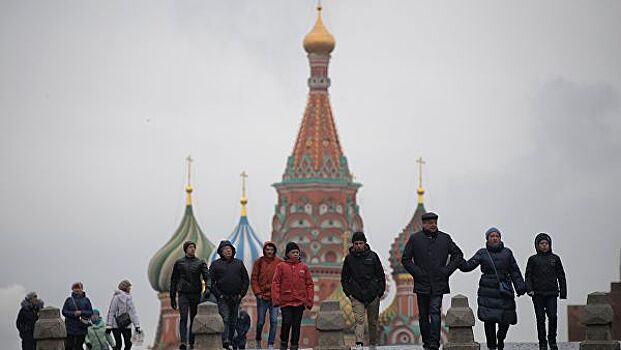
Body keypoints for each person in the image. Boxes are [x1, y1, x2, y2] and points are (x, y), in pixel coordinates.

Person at [401, 212, 464, 350]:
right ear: (424, 224)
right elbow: (405, 259)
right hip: (422, 282)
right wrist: (418, 273)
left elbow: (458, 255)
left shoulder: (445, 238)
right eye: (430, 223)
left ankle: (434, 343)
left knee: (435, 312)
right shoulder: (415, 239)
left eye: (435, 222)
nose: (433, 225)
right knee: (424, 315)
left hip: (438, 282)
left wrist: (446, 271)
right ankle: (426, 342)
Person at [459, 227, 527, 350]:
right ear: (487, 239)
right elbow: (468, 266)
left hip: (504, 290)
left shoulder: (507, 253)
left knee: (506, 319)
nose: (495, 238)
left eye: (497, 236)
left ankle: (500, 339)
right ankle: (491, 345)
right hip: (487, 290)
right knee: (489, 320)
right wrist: (457, 259)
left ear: (500, 238)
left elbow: (514, 271)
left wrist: (520, 287)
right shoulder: (482, 253)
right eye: (492, 236)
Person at [341, 231, 386, 347]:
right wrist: (349, 293)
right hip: (357, 295)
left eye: (361, 243)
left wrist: (379, 292)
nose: (358, 246)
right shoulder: (349, 259)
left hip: (373, 295)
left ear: (365, 243)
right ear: (353, 244)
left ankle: (372, 343)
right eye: (356, 244)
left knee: (373, 322)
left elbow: (380, 275)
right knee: (359, 321)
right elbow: (344, 278)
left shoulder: (373, 257)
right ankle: (359, 343)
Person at [525, 233, 567, 350]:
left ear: (550, 245)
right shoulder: (533, 259)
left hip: (552, 293)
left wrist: (563, 292)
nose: (544, 246)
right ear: (537, 245)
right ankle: (542, 341)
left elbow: (561, 276)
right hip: (537, 293)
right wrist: (529, 289)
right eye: (542, 244)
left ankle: (552, 339)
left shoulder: (555, 259)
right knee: (540, 318)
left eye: (546, 243)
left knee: (553, 316)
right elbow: (528, 276)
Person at [271, 242, 314, 350]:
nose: (296, 254)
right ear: (287, 253)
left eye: (297, 252)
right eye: (293, 252)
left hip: (299, 301)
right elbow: (276, 282)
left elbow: (309, 284)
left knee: (296, 325)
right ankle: (284, 342)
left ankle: (294, 345)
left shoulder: (304, 267)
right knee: (286, 322)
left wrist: (309, 300)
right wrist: (276, 299)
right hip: (286, 301)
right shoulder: (281, 266)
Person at [209, 240, 250, 350]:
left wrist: (242, 294)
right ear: (221, 252)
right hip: (223, 297)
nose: (228, 251)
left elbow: (246, 280)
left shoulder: (239, 263)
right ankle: (225, 340)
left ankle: (231, 340)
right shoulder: (216, 265)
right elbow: (210, 282)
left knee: (233, 320)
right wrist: (219, 295)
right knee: (225, 318)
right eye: (225, 250)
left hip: (236, 297)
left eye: (229, 249)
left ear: (232, 250)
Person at [170, 240, 210, 350]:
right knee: (183, 317)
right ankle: (183, 342)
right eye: (190, 247)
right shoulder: (179, 263)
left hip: (195, 293)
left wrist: (207, 288)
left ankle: (192, 343)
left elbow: (207, 277)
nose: (192, 249)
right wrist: (172, 297)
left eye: (193, 247)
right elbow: (173, 280)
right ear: (186, 249)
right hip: (183, 294)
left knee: (193, 318)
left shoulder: (200, 262)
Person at [251, 241, 283, 349]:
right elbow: (254, 278)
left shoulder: (279, 262)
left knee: (274, 321)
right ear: (264, 250)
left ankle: (270, 344)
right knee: (260, 321)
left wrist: (279, 293)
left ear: (274, 251)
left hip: (274, 297)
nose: (269, 252)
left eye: (271, 250)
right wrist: (257, 292)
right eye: (267, 249)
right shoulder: (259, 262)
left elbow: (283, 279)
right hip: (262, 297)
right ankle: (258, 339)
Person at [106, 279, 141, 350]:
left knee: (129, 343)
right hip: (116, 324)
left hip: (126, 324)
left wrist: (137, 325)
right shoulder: (116, 298)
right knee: (119, 344)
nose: (130, 289)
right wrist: (109, 325)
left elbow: (133, 313)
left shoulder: (129, 298)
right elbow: (111, 312)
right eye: (129, 287)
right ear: (125, 287)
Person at [62, 282, 94, 350]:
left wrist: (81, 312)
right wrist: (73, 314)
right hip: (70, 327)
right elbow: (64, 311)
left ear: (82, 289)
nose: (77, 290)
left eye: (78, 288)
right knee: (69, 346)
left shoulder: (86, 300)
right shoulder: (69, 300)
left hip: (81, 326)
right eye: (75, 288)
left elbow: (90, 312)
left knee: (79, 346)